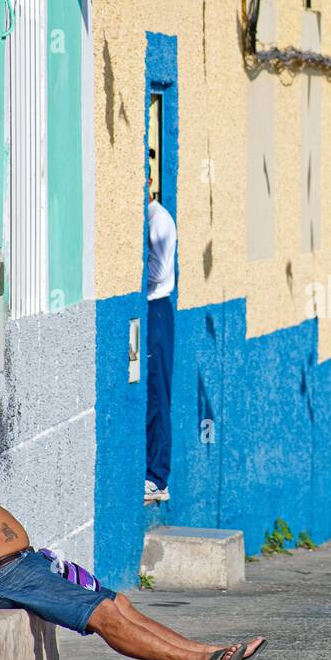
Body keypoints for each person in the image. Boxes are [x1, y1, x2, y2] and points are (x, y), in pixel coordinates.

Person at [0, 399, 265, 660]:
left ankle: (207, 651)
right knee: (103, 614)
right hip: (5, 576)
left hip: (25, 566)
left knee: (116, 602)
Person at [145, 149, 177, 504]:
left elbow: (158, 273)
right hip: (152, 310)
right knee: (151, 393)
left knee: (158, 394)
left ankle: (157, 477)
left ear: (150, 181)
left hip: (156, 310)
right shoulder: (147, 219)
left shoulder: (159, 221)